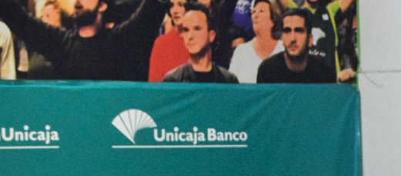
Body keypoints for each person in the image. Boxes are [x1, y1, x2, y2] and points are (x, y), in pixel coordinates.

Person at [0, 0, 166, 80]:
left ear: (102, 5)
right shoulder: (61, 43)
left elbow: (152, 11)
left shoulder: (121, 42)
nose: (78, 1)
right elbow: (18, 18)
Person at [161, 1, 237, 81]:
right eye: (186, 30)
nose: (190, 36)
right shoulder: (172, 80)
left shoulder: (228, 80)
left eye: (197, 29)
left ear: (211, 36)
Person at [256, 7, 333, 82]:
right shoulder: (267, 71)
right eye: (287, 31)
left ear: (310, 39)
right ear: (282, 38)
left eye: (299, 31)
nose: (292, 39)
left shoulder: (324, 72)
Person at [225, 0, 279, 82]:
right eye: (253, 12)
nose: (255, 15)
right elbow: (231, 87)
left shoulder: (283, 49)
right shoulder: (241, 51)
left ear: (273, 20)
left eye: (261, 11)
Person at [147, 0, 188, 80]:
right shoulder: (161, 43)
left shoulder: (200, 40)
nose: (175, 11)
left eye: (181, 5)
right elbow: (154, 85)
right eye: (171, 5)